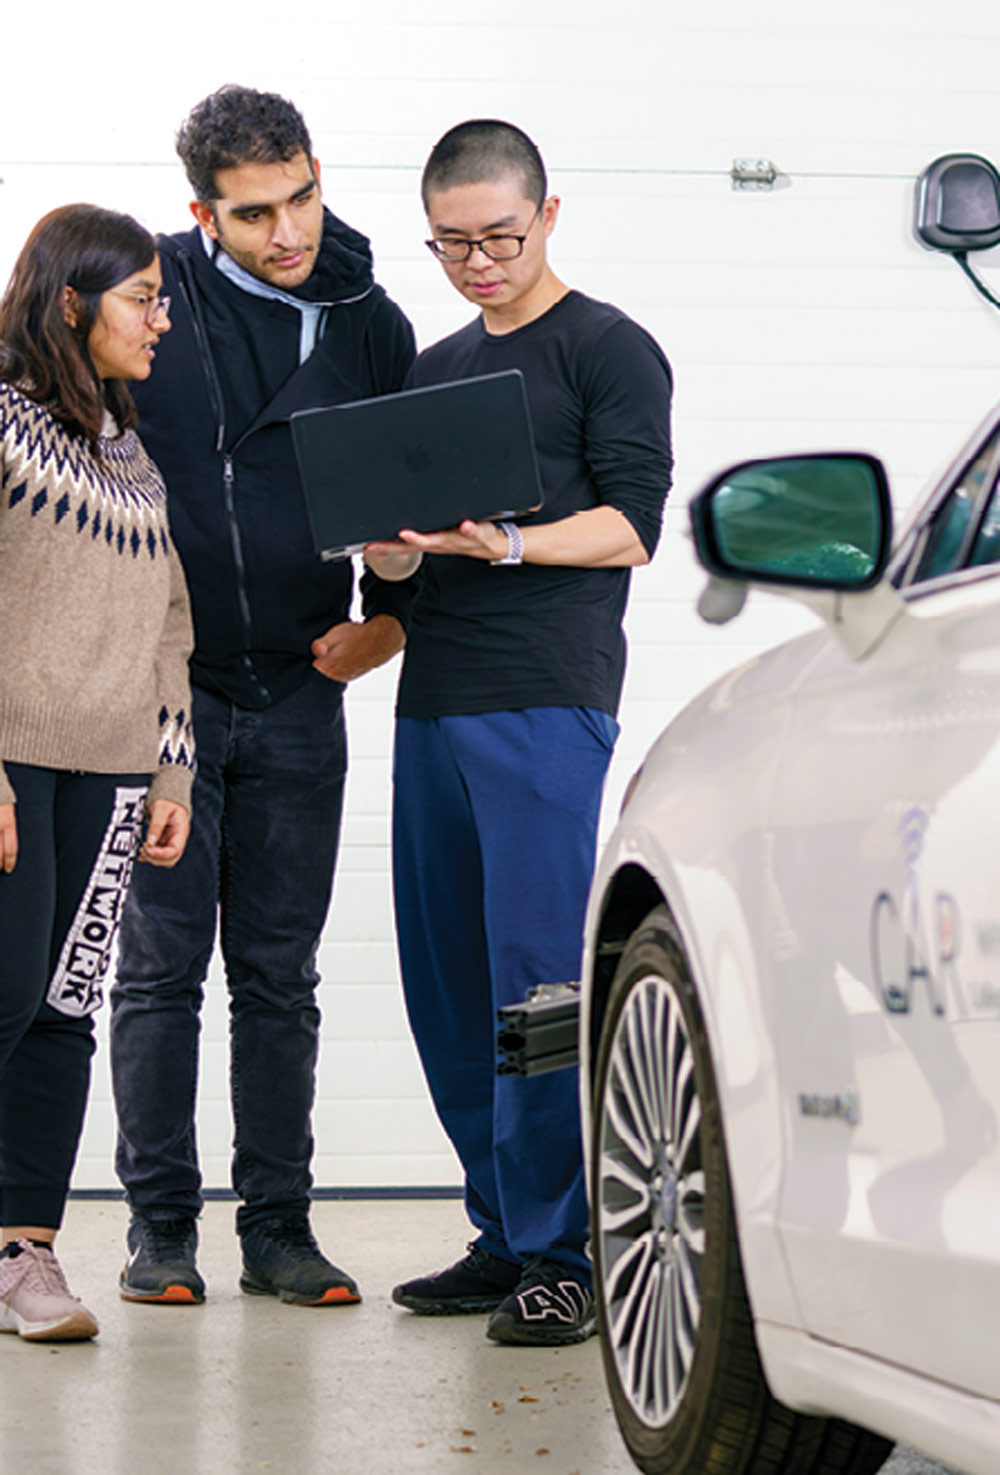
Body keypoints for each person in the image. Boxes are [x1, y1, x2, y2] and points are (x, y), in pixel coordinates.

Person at [366, 120, 673, 1347]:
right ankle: (500, 1228)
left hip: (546, 695)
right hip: (434, 697)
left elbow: (631, 525)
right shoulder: (435, 367)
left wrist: (504, 542)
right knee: (447, 980)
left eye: (498, 236)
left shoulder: (607, 347)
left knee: (535, 984)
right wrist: (392, 551)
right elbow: (403, 555)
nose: (477, 263)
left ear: (548, 215)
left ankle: (565, 1250)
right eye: (450, 244)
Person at [109, 85, 416, 1308]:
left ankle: (280, 1229)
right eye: (252, 213)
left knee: (280, 976)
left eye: (302, 198)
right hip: (162, 697)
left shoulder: (371, 324)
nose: (287, 231)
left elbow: (410, 499)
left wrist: (386, 620)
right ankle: (159, 1229)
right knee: (159, 971)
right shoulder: (144, 298)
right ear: (202, 213)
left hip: (298, 687)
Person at [0, 204, 194, 1342]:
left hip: (115, 774)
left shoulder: (130, 449)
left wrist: (171, 775)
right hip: (13, 763)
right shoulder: (4, 423)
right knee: (5, 993)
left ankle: (22, 1254)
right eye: (143, 299)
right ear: (71, 303)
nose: (160, 320)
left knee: (64, 1008)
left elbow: (169, 622)